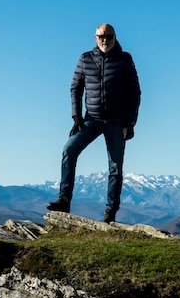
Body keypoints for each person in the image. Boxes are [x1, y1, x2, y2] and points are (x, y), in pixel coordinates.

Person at [47, 23, 141, 223]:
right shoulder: (85, 59)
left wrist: (130, 122)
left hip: (117, 121)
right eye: (101, 36)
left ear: (115, 37)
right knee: (69, 150)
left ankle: (110, 213)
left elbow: (135, 92)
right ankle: (63, 200)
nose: (105, 40)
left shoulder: (124, 59)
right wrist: (76, 117)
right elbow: (75, 88)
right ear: (95, 38)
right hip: (91, 119)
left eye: (108, 36)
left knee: (115, 167)